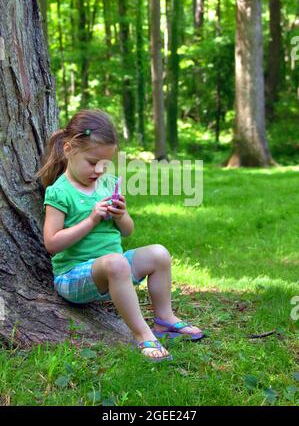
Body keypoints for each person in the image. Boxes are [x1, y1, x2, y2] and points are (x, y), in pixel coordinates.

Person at [36, 109, 204, 362]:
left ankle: (164, 319)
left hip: (115, 274)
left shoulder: (107, 183)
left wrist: (120, 215)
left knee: (159, 253)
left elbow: (127, 231)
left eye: (105, 164)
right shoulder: (60, 192)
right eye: (93, 162)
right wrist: (91, 219)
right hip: (74, 277)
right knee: (115, 262)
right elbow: (52, 243)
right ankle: (142, 335)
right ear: (69, 149)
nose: (99, 170)